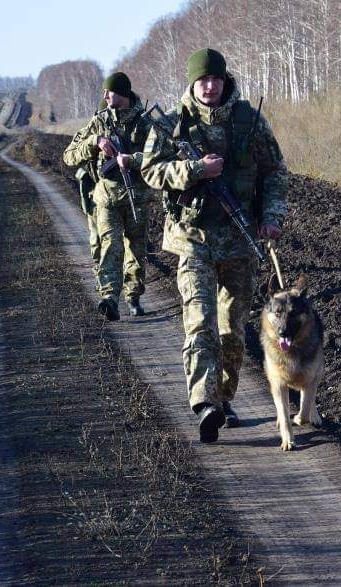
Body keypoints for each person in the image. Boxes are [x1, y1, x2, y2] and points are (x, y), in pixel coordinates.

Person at [141, 48, 288, 443]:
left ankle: (222, 399)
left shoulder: (249, 122)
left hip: (239, 242)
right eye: (202, 80)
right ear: (192, 83)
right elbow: (150, 171)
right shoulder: (172, 125)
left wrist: (272, 216)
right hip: (192, 241)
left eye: (215, 79)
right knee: (199, 323)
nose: (209, 86)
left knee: (232, 330)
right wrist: (195, 169)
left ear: (225, 81)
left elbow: (274, 171)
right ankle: (204, 403)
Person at [62, 72, 152, 320]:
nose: (105, 95)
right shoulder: (99, 122)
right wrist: (95, 141)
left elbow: (160, 156)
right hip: (107, 199)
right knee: (111, 245)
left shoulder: (145, 123)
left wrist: (132, 160)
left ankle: (133, 296)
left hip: (138, 197)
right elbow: (69, 155)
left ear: (122, 93)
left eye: (109, 91)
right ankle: (110, 298)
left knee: (136, 249)